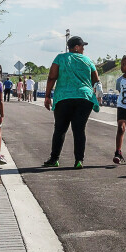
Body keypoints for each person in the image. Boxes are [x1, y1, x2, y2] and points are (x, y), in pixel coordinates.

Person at [43, 36, 101, 169]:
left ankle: (54, 159)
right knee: (79, 129)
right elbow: (96, 80)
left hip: (64, 97)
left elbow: (52, 77)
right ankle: (79, 160)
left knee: (60, 129)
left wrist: (47, 96)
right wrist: (98, 96)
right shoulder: (87, 60)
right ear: (76, 47)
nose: (83, 49)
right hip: (84, 98)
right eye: (82, 46)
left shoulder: (60, 58)